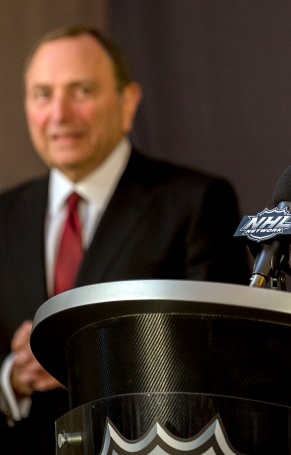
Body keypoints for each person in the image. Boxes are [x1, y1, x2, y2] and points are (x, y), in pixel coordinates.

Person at [0, 25, 252, 453]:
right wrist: (12, 377)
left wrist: (91, 364)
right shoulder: (4, 215)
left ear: (128, 102)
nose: (59, 115)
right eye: (43, 95)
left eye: (80, 91)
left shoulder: (195, 202)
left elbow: (222, 361)